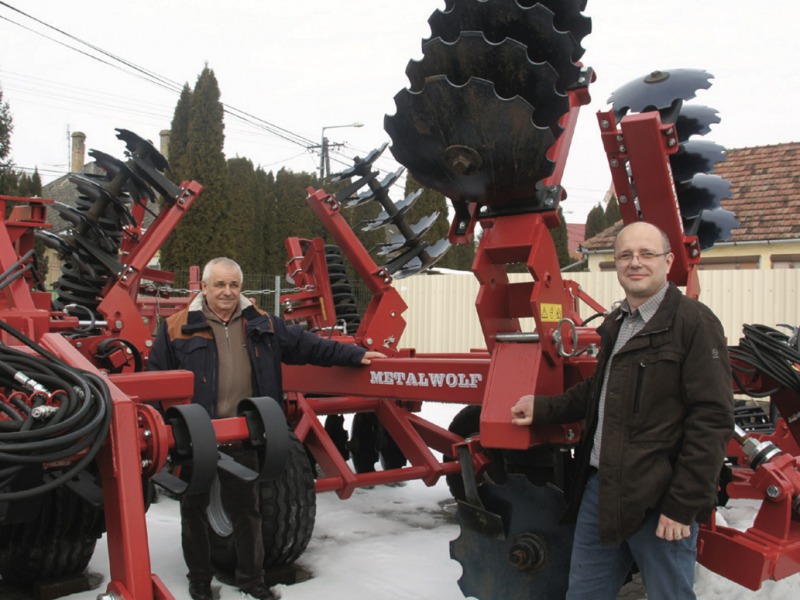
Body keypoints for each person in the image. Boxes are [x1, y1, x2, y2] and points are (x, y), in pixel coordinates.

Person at [511, 222, 734, 599]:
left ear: (667, 261)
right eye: (625, 255)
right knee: (584, 593)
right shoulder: (618, 323)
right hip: (601, 490)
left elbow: (712, 421)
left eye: (647, 254)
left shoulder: (694, 324)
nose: (635, 263)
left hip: (658, 496)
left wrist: (682, 506)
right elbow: (598, 390)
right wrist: (544, 408)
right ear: (616, 264)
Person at [148, 257, 384, 600]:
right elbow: (156, 379)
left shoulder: (263, 324)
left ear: (241, 288)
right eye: (219, 285)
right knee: (194, 510)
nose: (227, 292)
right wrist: (161, 432)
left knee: (248, 510)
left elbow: (308, 345)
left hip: (245, 432)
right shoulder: (175, 327)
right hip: (196, 435)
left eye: (233, 285)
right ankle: (199, 582)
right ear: (204, 287)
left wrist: (355, 356)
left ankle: (251, 582)